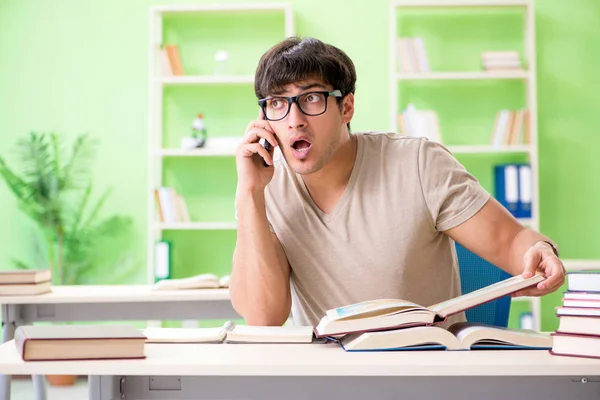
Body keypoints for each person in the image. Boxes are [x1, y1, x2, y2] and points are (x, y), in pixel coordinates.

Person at [230, 36, 565, 327]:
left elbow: (510, 241)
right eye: (277, 103)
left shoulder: (418, 163)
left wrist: (540, 250)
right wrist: (249, 192)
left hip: (425, 370)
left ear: (346, 107)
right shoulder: (265, 186)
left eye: (311, 99)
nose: (295, 120)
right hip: (330, 379)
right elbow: (263, 317)